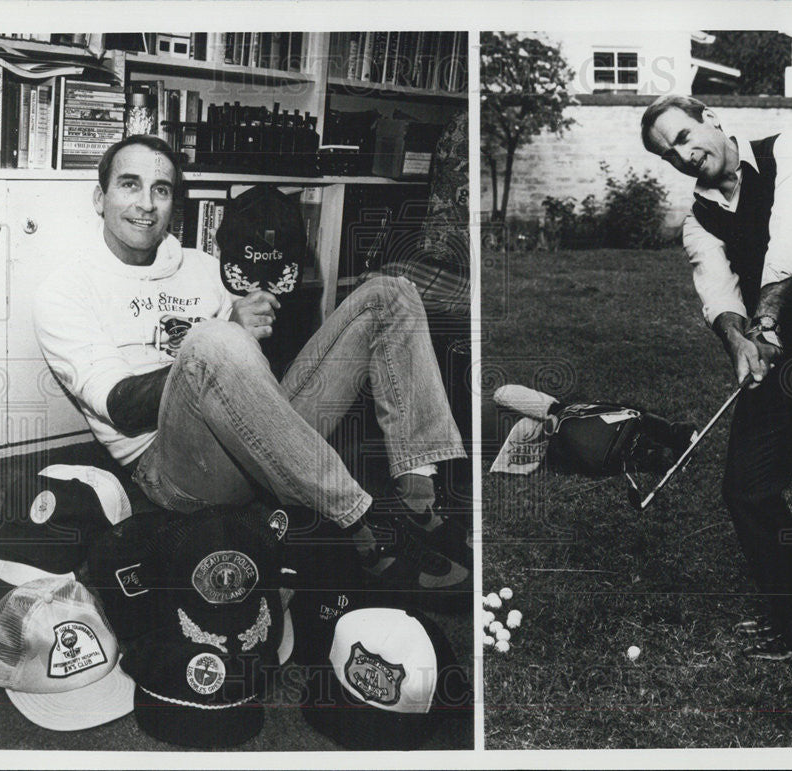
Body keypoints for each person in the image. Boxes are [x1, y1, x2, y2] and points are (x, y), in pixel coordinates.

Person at [33, 134, 470, 600]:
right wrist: (220, 338)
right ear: (100, 198)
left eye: (160, 189)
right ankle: (359, 523)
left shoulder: (200, 264)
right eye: (129, 185)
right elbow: (118, 405)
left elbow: (249, 373)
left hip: (255, 432)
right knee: (212, 340)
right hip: (172, 467)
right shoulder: (64, 289)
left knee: (390, 293)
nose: (146, 204)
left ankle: (419, 497)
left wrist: (253, 323)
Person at [640, 95, 792, 660]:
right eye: (666, 154)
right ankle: (787, 608)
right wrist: (739, 342)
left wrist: (768, 319)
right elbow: (718, 294)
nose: (681, 156)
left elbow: (791, 241)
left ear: (710, 118)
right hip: (783, 357)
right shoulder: (698, 221)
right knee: (747, 488)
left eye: (682, 137)